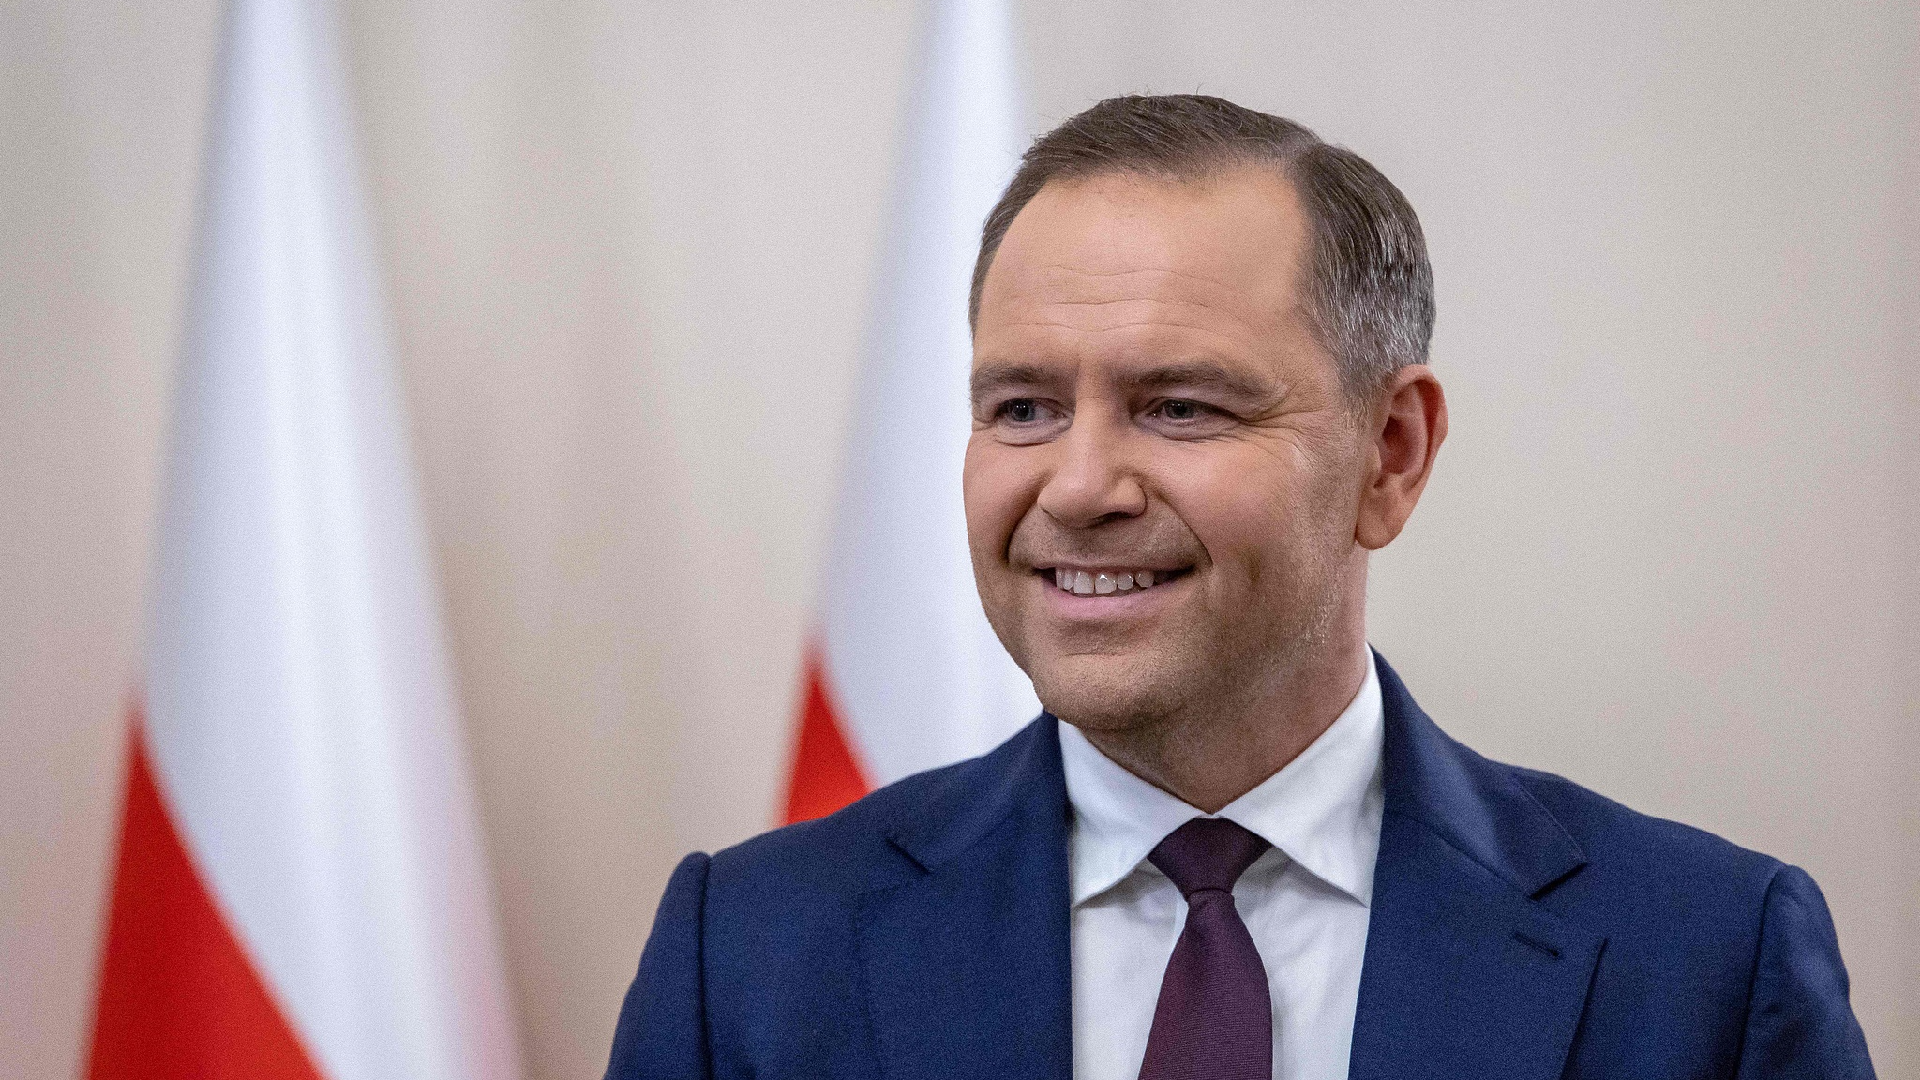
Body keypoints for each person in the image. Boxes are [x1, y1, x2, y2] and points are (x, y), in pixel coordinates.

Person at [605, 94, 1875, 1080]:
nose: (1078, 486)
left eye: (1181, 406)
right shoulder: (750, 955)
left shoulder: (1707, 962)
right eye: (1024, 407)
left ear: (1391, 454)